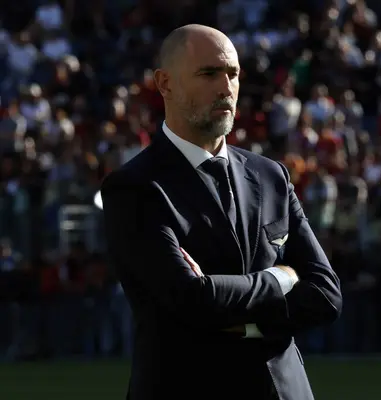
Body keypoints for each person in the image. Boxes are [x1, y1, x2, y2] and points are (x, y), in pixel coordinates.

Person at [101, 24, 342, 400]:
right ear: (164, 83)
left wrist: (244, 323)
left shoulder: (271, 175)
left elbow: (326, 295)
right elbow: (191, 300)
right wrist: (280, 279)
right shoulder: (134, 188)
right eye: (209, 73)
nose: (226, 87)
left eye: (233, 74)